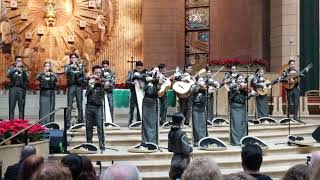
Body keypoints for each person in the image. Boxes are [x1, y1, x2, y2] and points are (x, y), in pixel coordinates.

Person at [229, 74, 255, 145]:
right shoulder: (233, 86)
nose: (241, 80)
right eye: (239, 79)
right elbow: (230, 88)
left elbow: (245, 98)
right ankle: (235, 141)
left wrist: (251, 95)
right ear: (236, 80)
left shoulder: (245, 88)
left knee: (242, 124)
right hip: (235, 107)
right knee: (236, 124)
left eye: (242, 79)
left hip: (243, 106)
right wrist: (238, 86)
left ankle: (243, 140)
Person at [85, 65, 106, 150]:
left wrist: (98, 80)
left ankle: (101, 143)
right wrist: (90, 77)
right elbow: (82, 80)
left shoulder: (103, 81)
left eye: (99, 73)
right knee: (88, 126)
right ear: (93, 72)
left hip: (98, 107)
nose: (97, 74)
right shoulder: (90, 80)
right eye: (96, 72)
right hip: (89, 106)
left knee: (99, 126)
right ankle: (89, 143)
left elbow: (106, 83)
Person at [168, 112, 193, 180]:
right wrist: (191, 148)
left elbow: (170, 148)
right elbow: (186, 150)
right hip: (182, 162)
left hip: (174, 161)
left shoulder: (170, 132)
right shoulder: (182, 134)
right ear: (181, 122)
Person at [65, 53, 85, 128]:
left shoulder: (80, 66)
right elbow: (66, 74)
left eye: (75, 58)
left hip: (79, 87)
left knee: (80, 104)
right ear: (70, 59)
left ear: (77, 58)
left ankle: (81, 122)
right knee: (69, 105)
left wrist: (79, 68)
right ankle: (68, 123)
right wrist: (71, 67)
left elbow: (84, 76)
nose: (74, 59)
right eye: (72, 58)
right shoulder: (67, 66)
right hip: (71, 86)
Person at [7, 56, 29, 120]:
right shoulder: (11, 68)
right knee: (11, 106)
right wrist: (15, 69)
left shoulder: (25, 69)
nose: (19, 62)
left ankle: (21, 123)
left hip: (21, 89)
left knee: (21, 107)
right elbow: (8, 75)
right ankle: (11, 122)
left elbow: (26, 78)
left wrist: (23, 71)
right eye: (18, 61)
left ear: (22, 62)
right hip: (13, 89)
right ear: (15, 61)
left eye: (20, 61)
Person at [126, 61, 147, 126]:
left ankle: (139, 120)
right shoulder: (131, 73)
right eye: (138, 68)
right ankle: (130, 121)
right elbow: (127, 81)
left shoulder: (144, 73)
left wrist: (143, 83)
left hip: (141, 92)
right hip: (133, 92)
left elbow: (147, 82)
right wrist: (132, 83)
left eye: (140, 68)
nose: (139, 69)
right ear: (136, 67)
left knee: (139, 106)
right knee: (132, 107)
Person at [141, 68, 159, 144]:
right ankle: (145, 141)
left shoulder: (158, 80)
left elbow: (160, 88)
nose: (155, 72)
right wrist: (150, 73)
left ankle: (152, 142)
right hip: (145, 101)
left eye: (157, 71)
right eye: (154, 70)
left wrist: (157, 79)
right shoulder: (147, 78)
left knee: (152, 122)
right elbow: (140, 76)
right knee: (145, 122)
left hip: (153, 101)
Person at [191, 77, 208, 146]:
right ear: (197, 81)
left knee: (203, 125)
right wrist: (199, 88)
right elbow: (193, 92)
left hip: (202, 108)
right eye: (200, 80)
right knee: (196, 125)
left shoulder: (205, 88)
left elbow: (207, 95)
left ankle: (203, 140)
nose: (201, 81)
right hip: (195, 107)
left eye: (202, 80)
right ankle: (196, 140)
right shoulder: (194, 87)